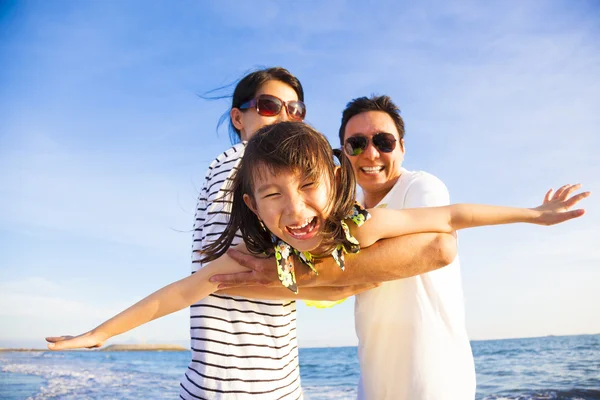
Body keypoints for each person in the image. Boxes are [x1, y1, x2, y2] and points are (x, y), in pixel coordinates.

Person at [47, 67, 458, 400]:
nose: (282, 117)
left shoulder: (248, 175)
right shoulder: (244, 163)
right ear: (238, 117)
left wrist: (101, 333)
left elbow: (239, 279)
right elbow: (218, 280)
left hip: (236, 380)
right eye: (268, 105)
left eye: (295, 111)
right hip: (247, 383)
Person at [46, 121, 587, 359]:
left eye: (308, 187)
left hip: (343, 273)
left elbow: (453, 216)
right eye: (273, 195)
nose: (296, 208)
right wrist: (97, 334)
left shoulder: (361, 225)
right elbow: (177, 293)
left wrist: (534, 214)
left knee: (364, 274)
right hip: (297, 283)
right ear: (252, 205)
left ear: (335, 185)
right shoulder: (260, 249)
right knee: (233, 277)